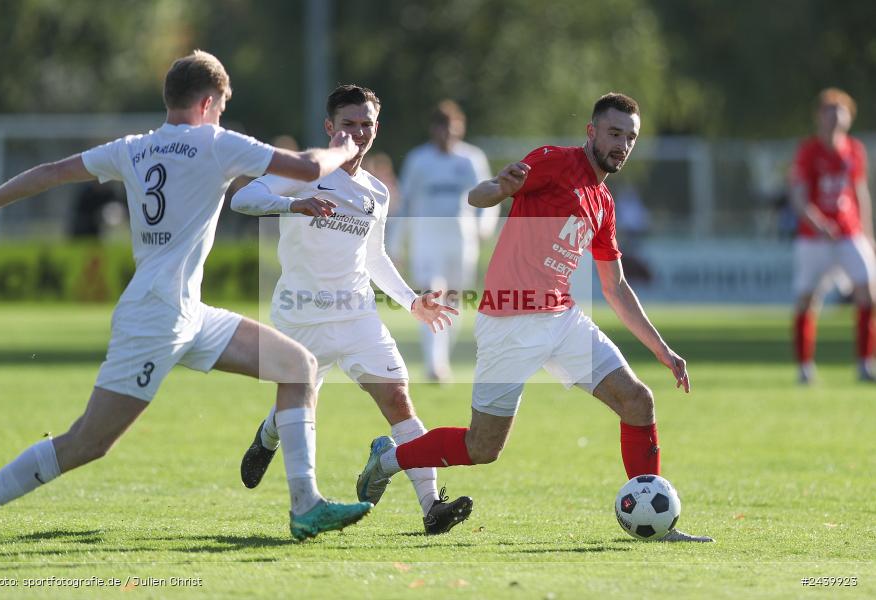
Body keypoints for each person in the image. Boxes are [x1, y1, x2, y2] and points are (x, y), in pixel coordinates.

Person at [0, 50, 373, 541]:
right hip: (156, 317)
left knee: (298, 367)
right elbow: (309, 165)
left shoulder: (133, 147)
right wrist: (343, 145)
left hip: (187, 313)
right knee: (87, 442)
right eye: (222, 107)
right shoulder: (214, 142)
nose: (222, 115)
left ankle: (305, 504)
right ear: (209, 103)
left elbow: (52, 171)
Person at [357, 93, 713, 542]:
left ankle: (655, 527)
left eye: (630, 138)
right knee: (482, 448)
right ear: (592, 132)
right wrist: (502, 189)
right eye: (614, 133)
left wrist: (663, 350)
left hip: (561, 318)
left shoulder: (603, 201)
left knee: (638, 402)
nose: (622, 144)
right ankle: (388, 460)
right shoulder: (552, 161)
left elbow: (615, 286)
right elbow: (477, 194)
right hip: (510, 321)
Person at [231, 84, 473, 535]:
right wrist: (293, 203)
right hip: (301, 314)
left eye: (366, 125)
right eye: (348, 124)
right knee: (298, 405)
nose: (358, 133)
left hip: (357, 314)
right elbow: (241, 200)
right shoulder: (304, 170)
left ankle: (431, 506)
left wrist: (411, 301)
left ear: (376, 129)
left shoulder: (376, 192)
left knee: (398, 398)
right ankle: (267, 438)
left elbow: (374, 257)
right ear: (330, 127)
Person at [397, 100, 495, 382]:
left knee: (453, 299)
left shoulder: (471, 159)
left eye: (454, 129)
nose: (448, 135)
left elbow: (490, 197)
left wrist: (484, 225)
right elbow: (405, 204)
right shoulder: (418, 160)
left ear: (460, 128)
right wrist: (395, 244)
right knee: (431, 296)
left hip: (461, 240)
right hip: (426, 241)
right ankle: (434, 365)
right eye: (443, 129)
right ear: (434, 129)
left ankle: (441, 359)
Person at [789, 87, 876, 383]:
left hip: (849, 233)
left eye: (840, 113)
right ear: (819, 118)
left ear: (848, 118)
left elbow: (860, 192)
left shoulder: (854, 150)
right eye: (828, 112)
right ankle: (804, 367)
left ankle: (865, 363)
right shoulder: (808, 151)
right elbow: (799, 196)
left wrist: (868, 234)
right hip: (814, 238)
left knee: (868, 292)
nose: (834, 119)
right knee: (807, 300)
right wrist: (817, 222)